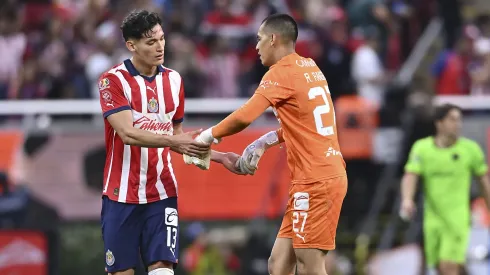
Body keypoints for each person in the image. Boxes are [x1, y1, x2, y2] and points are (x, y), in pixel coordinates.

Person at [190, 13, 348, 275]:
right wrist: (264, 142)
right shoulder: (309, 67)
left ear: (273, 39)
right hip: (317, 176)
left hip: (315, 181)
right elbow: (303, 123)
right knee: (278, 264)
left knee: (311, 266)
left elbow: (245, 116)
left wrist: (208, 136)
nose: (256, 47)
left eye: (259, 39)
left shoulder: (280, 73)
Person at [97, 10, 242, 275]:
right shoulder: (113, 81)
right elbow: (128, 134)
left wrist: (220, 157)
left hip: (162, 192)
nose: (160, 47)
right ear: (132, 45)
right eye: (150, 42)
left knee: (163, 268)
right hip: (121, 195)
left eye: (162, 39)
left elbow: (178, 139)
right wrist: (174, 140)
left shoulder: (174, 80)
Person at [400, 103, 490, 275]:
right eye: (452, 119)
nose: (458, 124)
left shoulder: (470, 150)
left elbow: (484, 181)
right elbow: (410, 175)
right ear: (439, 123)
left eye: (459, 120)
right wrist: (407, 199)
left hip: (457, 218)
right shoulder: (422, 148)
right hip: (432, 218)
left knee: (449, 266)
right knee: (442, 268)